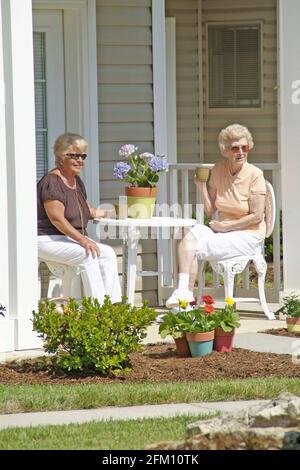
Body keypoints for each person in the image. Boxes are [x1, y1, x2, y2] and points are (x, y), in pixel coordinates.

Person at [166, 123, 266, 307]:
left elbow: (257, 216)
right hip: (222, 232)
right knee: (185, 233)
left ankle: (183, 298)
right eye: (235, 148)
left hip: (249, 234)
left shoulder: (255, 174)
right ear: (225, 150)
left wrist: (227, 226)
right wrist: (201, 186)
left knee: (194, 246)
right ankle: (184, 291)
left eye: (245, 147)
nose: (241, 152)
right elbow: (210, 211)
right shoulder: (218, 170)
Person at [37, 132, 122, 304]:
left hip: (68, 239)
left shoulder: (76, 181)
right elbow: (57, 219)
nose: (80, 160)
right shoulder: (52, 182)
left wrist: (111, 212)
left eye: (82, 156)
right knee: (88, 254)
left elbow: (86, 210)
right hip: (46, 238)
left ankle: (113, 306)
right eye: (74, 155)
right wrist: (83, 240)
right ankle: (97, 311)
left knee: (107, 253)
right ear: (60, 157)